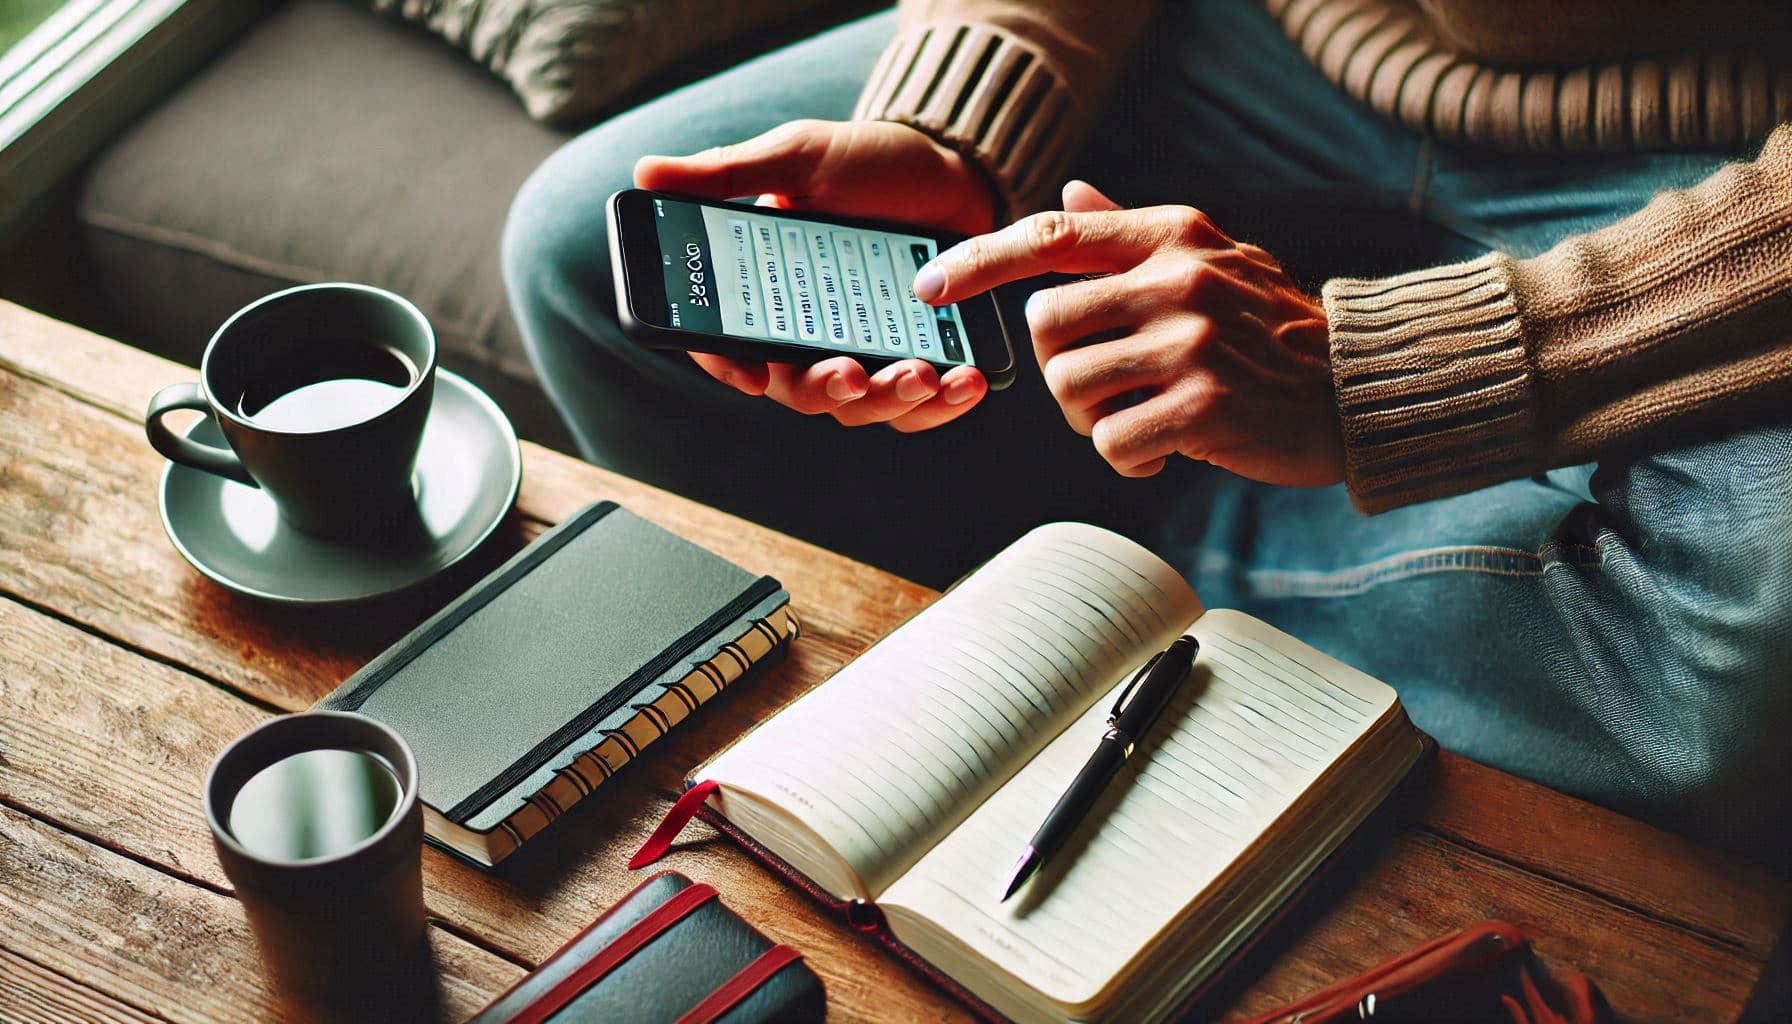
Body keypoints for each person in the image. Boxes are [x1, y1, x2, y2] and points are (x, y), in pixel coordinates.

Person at [503, 0, 1792, 861]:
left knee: (1724, 685)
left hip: (1730, 151)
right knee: (581, 251)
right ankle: (1136, 569)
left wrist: (1392, 376)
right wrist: (957, 126)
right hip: (1253, 40)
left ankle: (1106, 568)